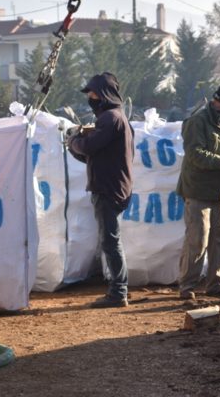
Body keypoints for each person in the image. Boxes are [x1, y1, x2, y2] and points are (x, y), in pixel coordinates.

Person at [68, 72, 134, 309]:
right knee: (112, 240)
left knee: (110, 241)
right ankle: (120, 288)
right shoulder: (119, 119)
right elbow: (95, 155)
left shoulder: (109, 119)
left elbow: (90, 146)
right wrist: (77, 146)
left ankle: (119, 292)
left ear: (103, 94)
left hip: (108, 188)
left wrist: (74, 141)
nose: (91, 98)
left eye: (93, 93)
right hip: (114, 185)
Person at [176, 82, 220, 300]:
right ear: (216, 102)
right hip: (197, 190)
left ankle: (216, 283)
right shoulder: (197, 122)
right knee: (198, 239)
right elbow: (195, 154)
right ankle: (187, 286)